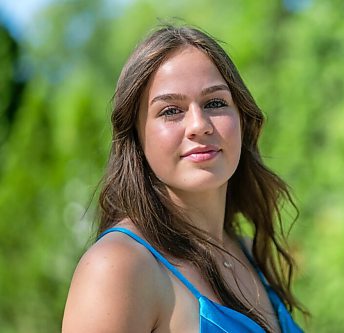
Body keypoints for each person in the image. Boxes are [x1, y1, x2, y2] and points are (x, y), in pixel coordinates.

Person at [62, 24, 306, 333]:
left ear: (242, 119)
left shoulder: (247, 251)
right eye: (170, 110)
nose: (198, 125)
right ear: (136, 135)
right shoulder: (118, 267)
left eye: (215, 103)